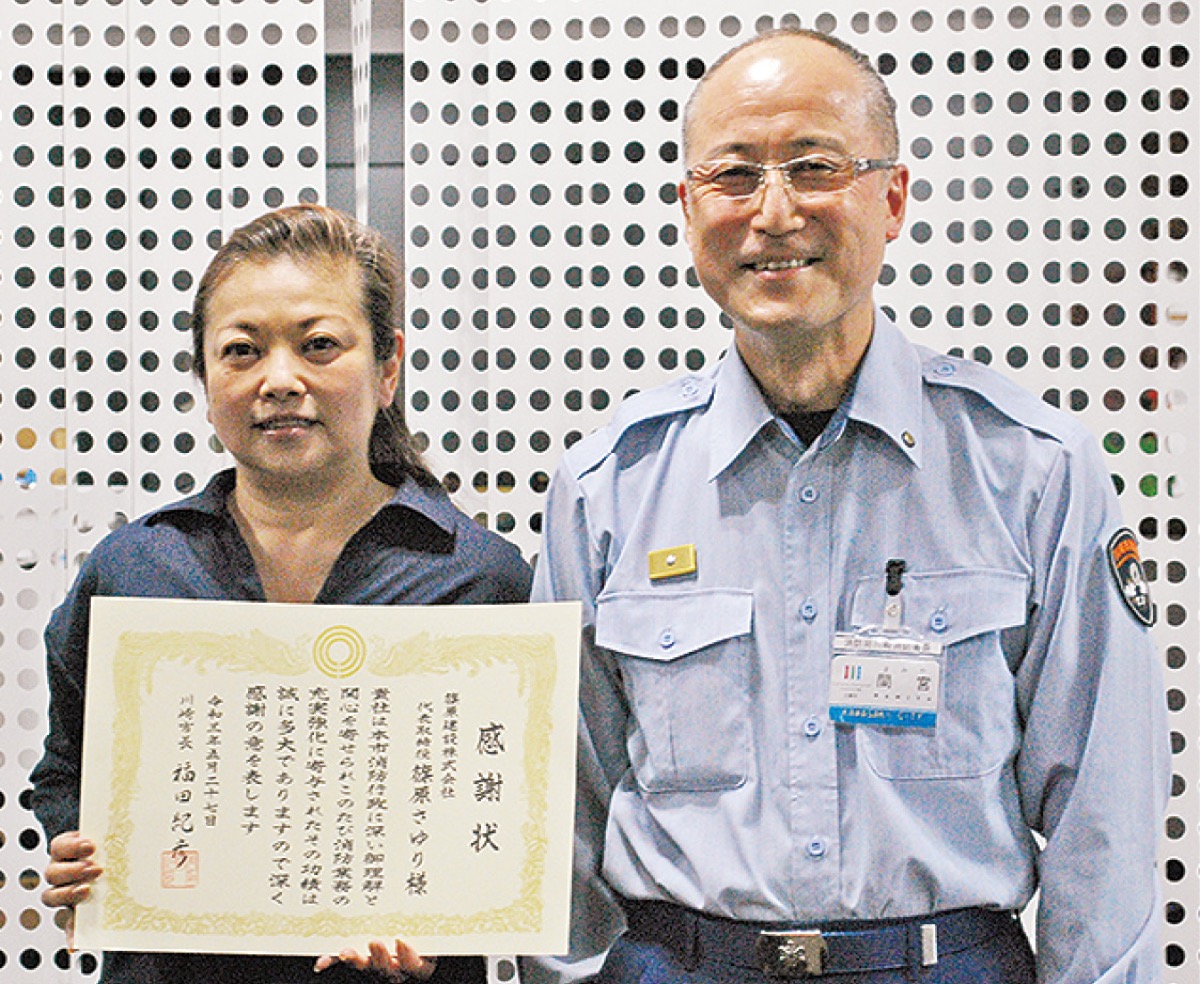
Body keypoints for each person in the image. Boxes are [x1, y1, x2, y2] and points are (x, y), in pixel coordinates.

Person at [528, 28, 1169, 984]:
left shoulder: (1032, 470)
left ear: (892, 198)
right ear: (689, 208)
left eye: (814, 167)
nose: (773, 212)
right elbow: (560, 806)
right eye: (733, 176)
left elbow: (1103, 810)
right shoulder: (608, 486)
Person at [29, 204, 533, 984]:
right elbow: (67, 768)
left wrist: (449, 926)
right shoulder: (133, 572)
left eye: (319, 345)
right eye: (241, 351)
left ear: (388, 368)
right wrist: (79, 850)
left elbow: (527, 822)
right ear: (205, 380)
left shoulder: (480, 581)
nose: (280, 380)